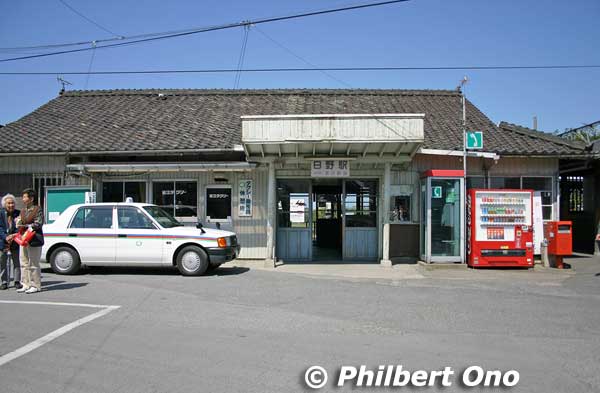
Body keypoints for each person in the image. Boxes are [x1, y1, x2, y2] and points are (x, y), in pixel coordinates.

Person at [16, 188, 44, 294]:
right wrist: (18, 222)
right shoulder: (23, 210)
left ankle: (35, 285)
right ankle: (25, 284)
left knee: (34, 263)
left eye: (25, 197)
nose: (23, 199)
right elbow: (19, 221)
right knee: (24, 262)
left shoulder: (37, 209)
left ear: (31, 198)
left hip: (34, 239)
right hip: (23, 239)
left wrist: (27, 226)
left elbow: (39, 223)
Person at [0, 194, 21, 290]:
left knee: (16, 262)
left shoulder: (18, 213)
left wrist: (13, 235)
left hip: (15, 240)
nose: (11, 205)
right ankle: (4, 282)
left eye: (12, 203)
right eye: (9, 203)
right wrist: (5, 237)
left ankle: (17, 281)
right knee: (3, 262)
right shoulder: (1, 213)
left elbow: (20, 227)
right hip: (3, 241)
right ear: (5, 204)